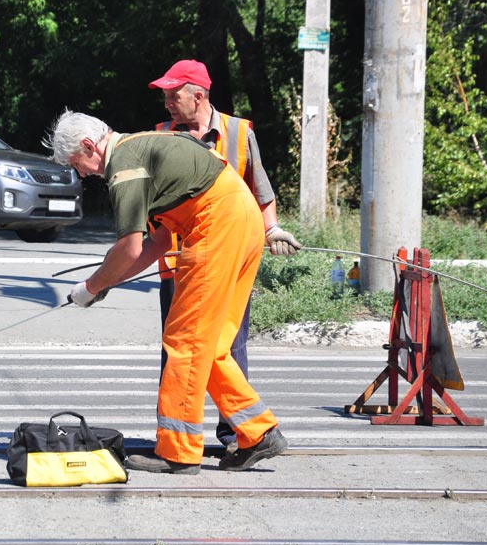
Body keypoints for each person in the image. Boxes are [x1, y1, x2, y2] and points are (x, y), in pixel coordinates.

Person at [45, 110, 288, 474]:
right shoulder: (141, 150)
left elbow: (129, 248)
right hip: (242, 218)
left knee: (184, 341)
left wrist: (90, 287)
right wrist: (103, 284)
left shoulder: (124, 166)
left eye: (76, 162)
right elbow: (157, 243)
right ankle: (259, 432)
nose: (80, 173)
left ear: (88, 145)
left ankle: (178, 451)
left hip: (216, 225)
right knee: (212, 345)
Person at [148, 59, 302, 448]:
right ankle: (179, 434)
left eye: (173, 94)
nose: (167, 102)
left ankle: (235, 431)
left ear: (198, 96)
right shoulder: (162, 135)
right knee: (179, 349)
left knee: (229, 346)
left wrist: (272, 230)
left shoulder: (238, 133)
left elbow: (260, 192)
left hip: (227, 261)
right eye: (165, 94)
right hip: (179, 263)